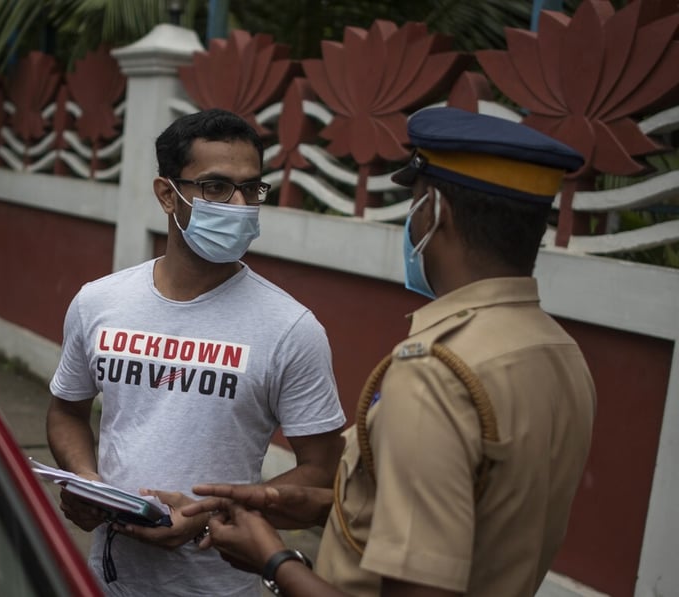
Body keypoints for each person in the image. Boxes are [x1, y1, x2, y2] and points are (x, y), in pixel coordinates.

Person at [182, 106, 597, 596]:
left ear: (433, 211)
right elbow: (485, 513)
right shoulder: (557, 351)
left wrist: (274, 561)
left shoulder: (435, 375)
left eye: (414, 201)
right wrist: (324, 505)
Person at [45, 108, 347, 596]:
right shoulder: (99, 302)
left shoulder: (292, 328)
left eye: (251, 189)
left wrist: (214, 515)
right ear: (168, 195)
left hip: (224, 585)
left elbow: (324, 470)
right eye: (215, 187)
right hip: (109, 578)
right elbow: (66, 411)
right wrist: (86, 482)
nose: (239, 204)